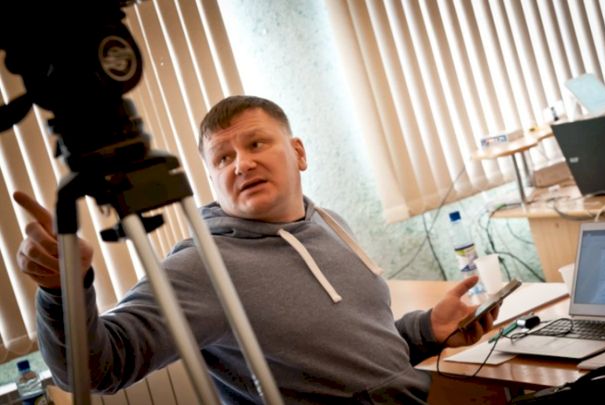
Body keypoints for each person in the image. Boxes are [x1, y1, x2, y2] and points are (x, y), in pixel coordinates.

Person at [14, 95, 499, 404]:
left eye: (256, 144)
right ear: (211, 178)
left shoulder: (330, 223)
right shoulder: (202, 266)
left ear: (298, 153)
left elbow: (365, 355)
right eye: (223, 157)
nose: (241, 164)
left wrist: (427, 328)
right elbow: (96, 370)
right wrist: (61, 290)